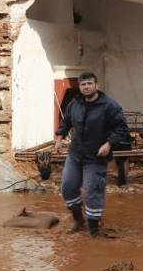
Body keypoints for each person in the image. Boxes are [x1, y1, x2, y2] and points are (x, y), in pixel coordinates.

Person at [53, 72, 128, 237]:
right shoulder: (75, 104)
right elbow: (66, 123)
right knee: (67, 186)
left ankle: (94, 229)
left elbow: (121, 129)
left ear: (96, 85)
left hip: (96, 156)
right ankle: (78, 221)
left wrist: (109, 144)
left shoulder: (109, 105)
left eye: (89, 84)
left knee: (92, 190)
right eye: (83, 84)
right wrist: (59, 139)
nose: (86, 87)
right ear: (79, 87)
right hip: (75, 154)